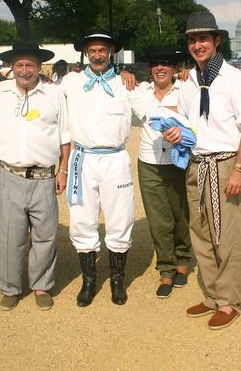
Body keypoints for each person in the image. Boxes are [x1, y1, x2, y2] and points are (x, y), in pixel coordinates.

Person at [163, 11, 241, 330]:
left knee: (227, 235)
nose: (197, 45)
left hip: (225, 163)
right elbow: (188, 122)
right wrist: (174, 132)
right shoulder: (189, 80)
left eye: (203, 38)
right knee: (201, 232)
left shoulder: (233, 78)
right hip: (196, 163)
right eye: (192, 39)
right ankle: (212, 294)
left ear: (217, 41)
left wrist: (240, 169)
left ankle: (230, 301)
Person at [0, 42, 70, 311]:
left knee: (45, 235)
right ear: (11, 67)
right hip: (8, 174)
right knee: (8, 236)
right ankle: (9, 287)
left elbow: (64, 135)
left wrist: (63, 169)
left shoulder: (53, 94)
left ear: (38, 66)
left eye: (29, 65)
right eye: (18, 65)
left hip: (43, 176)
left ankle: (41, 285)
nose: (24, 70)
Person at [59, 29, 144, 307]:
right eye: (92, 50)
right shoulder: (70, 82)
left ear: (111, 52)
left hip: (114, 158)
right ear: (86, 53)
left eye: (102, 50)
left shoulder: (125, 83)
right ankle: (89, 280)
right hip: (82, 158)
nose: (97, 55)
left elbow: (149, 109)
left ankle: (118, 280)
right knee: (82, 218)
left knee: (121, 217)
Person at [134, 46, 192, 299]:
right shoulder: (139, 91)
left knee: (181, 213)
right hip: (149, 161)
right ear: (150, 69)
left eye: (166, 63)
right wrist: (124, 72)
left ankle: (184, 259)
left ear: (175, 68)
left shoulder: (186, 89)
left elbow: (195, 118)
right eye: (156, 64)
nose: (160, 68)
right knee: (159, 219)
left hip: (178, 161)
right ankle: (166, 268)